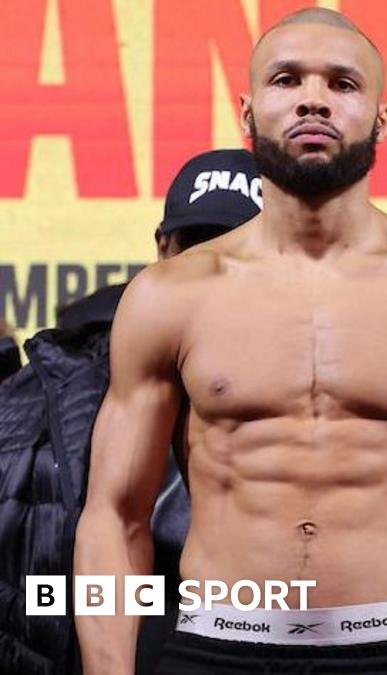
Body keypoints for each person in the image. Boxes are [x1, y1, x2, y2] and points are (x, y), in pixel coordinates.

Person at [72, 8, 387, 674]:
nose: (313, 98)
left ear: (382, 119)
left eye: (342, 82)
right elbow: (114, 517)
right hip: (217, 645)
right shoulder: (171, 296)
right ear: (247, 112)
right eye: (287, 80)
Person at [0, 148, 260, 675]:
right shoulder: (56, 392)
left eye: (239, 254)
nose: (212, 274)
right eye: (197, 249)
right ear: (163, 248)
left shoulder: (339, 395)